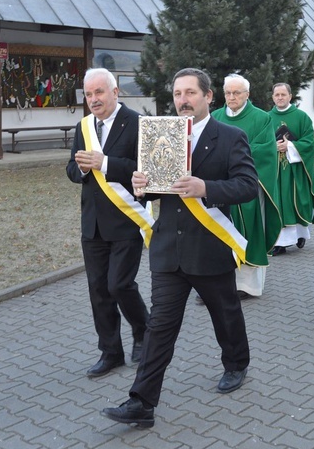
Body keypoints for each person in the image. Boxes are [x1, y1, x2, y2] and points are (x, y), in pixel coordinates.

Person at [102, 68, 259, 428]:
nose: (183, 100)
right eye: (177, 94)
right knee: (160, 327)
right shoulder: (162, 134)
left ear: (208, 97)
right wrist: (142, 184)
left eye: (190, 92)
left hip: (209, 244)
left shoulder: (230, 137)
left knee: (225, 313)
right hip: (169, 249)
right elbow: (158, 187)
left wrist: (206, 187)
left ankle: (236, 363)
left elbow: (247, 186)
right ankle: (141, 402)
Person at [66, 68, 151, 378]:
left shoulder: (137, 124)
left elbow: (146, 170)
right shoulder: (84, 127)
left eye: (99, 92)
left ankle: (143, 329)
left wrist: (105, 163)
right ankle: (110, 351)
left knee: (120, 284)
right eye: (88, 94)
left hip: (126, 220)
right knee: (99, 290)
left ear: (116, 92)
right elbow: (72, 170)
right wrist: (84, 170)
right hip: (93, 224)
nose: (94, 99)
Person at [212, 74, 282, 298]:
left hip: (246, 185)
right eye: (228, 93)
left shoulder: (262, 119)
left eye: (236, 93)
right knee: (216, 232)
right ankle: (213, 284)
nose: (231, 97)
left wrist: (231, 157)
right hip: (219, 186)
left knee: (247, 231)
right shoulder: (216, 116)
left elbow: (266, 151)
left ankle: (246, 286)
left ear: (247, 94)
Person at [267, 83, 314, 256]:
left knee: (294, 202)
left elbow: (309, 143)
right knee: (278, 203)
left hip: (295, 171)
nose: (280, 97)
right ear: (272, 97)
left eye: (283, 94)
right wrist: (273, 146)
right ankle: (280, 242)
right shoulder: (266, 117)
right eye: (276, 94)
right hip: (275, 171)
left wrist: (290, 146)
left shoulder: (301, 117)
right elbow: (261, 142)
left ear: (290, 96)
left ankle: (299, 235)